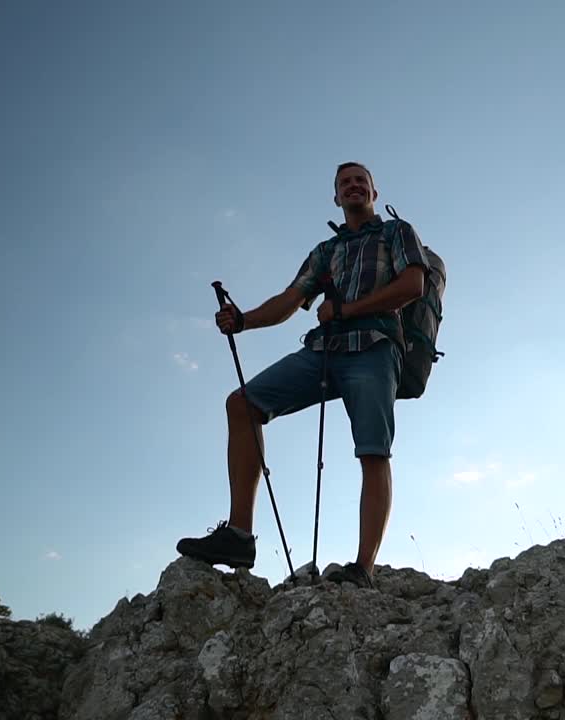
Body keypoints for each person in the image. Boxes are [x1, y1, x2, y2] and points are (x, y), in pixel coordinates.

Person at [176, 162, 430, 589]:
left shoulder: (395, 232)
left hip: (375, 346)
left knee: (373, 452)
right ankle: (239, 535)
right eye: (344, 183)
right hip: (324, 350)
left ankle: (362, 569)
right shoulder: (326, 251)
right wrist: (242, 321)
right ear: (336, 197)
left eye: (360, 181)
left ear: (373, 191)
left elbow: (413, 285)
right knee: (242, 404)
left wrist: (347, 309)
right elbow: (290, 300)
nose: (353, 186)